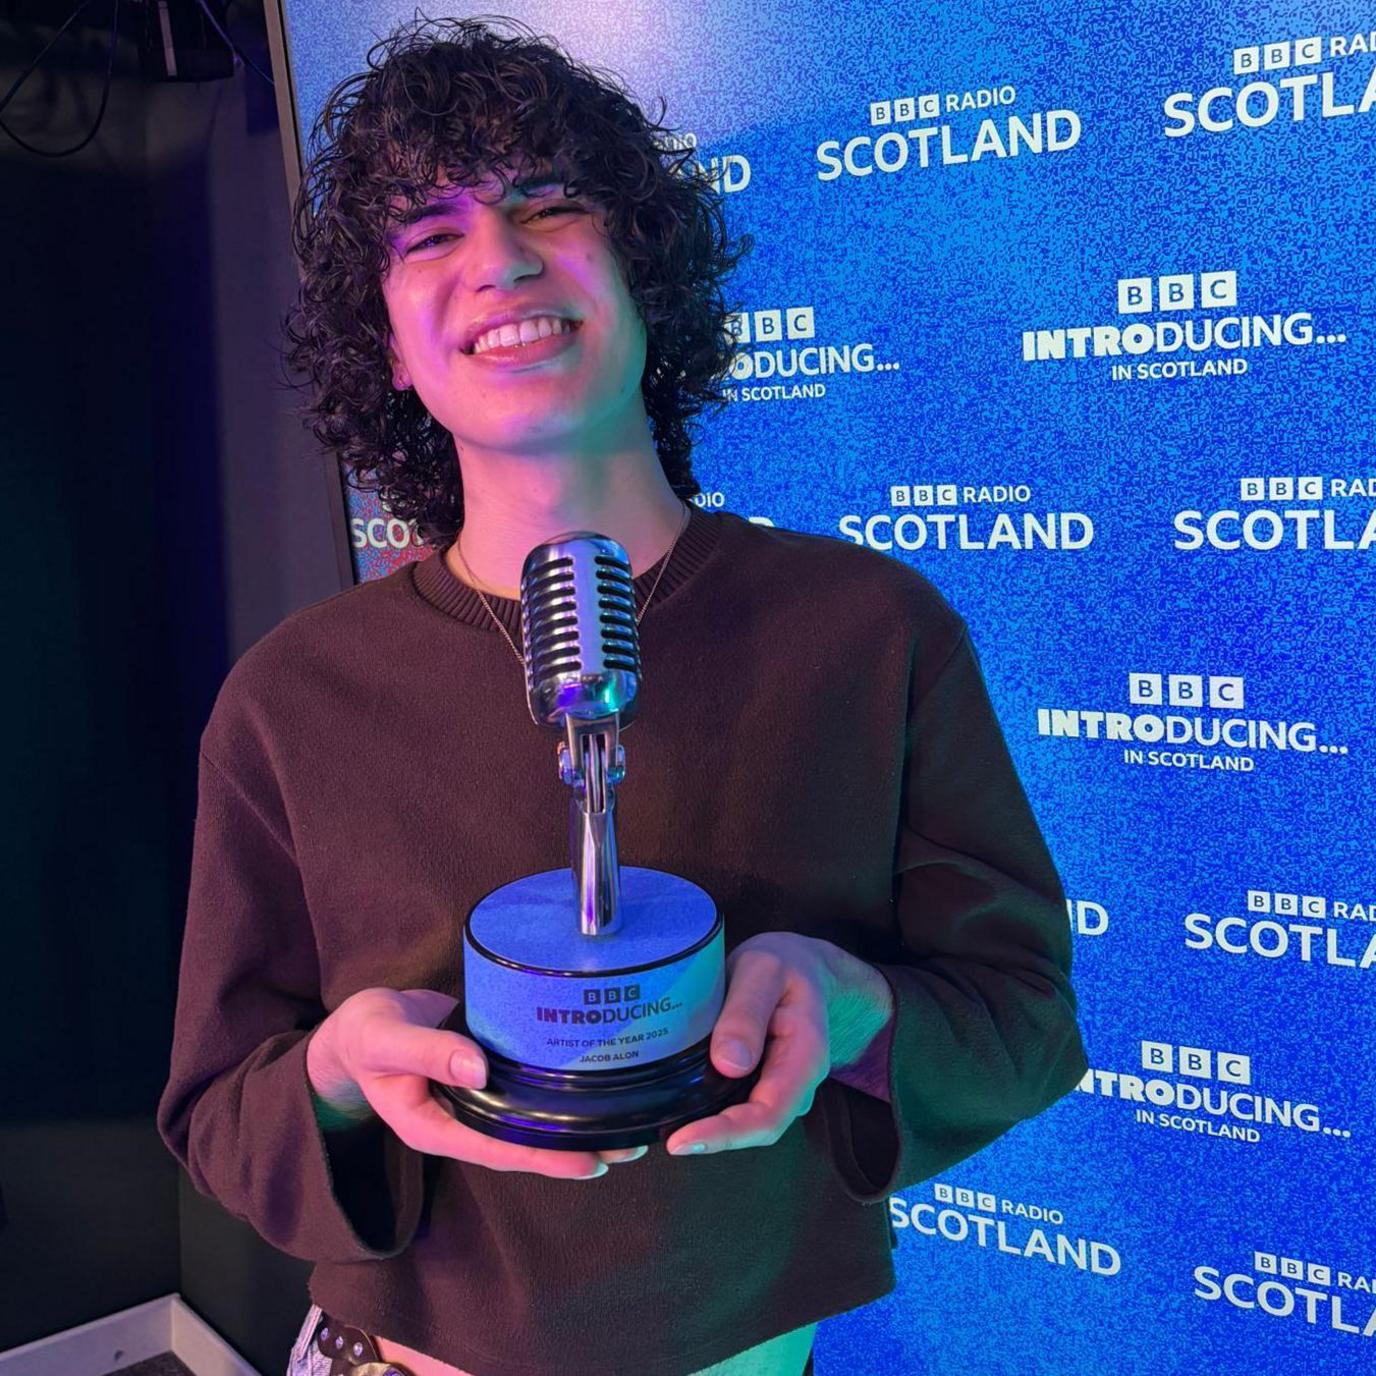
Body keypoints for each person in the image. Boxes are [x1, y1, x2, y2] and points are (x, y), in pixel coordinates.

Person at [157, 17, 1089, 1376]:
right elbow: (219, 1112)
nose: (503, 259)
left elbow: (1023, 1025)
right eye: (430, 235)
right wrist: (341, 1076)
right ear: (392, 355)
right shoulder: (292, 700)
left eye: (552, 204)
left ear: (647, 280)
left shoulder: (871, 635)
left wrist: (857, 1007)